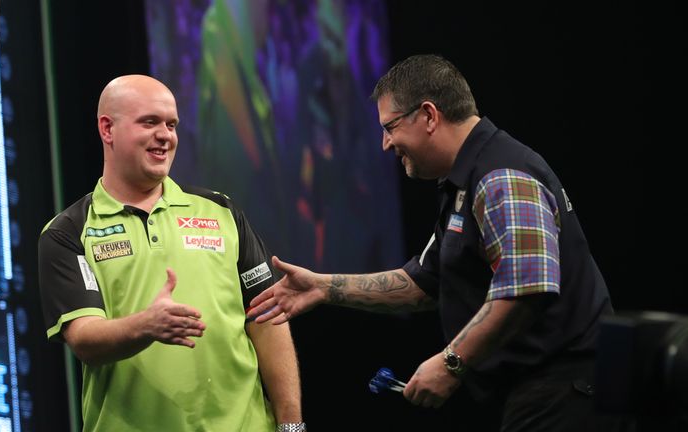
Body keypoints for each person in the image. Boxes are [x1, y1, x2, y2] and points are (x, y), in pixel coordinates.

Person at [248, 54, 630, 431]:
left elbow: (528, 287)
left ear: (429, 115)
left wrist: (453, 362)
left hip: (569, 395)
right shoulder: (463, 182)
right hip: (541, 395)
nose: (385, 144)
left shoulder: (501, 175)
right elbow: (424, 282)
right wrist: (323, 287)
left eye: (390, 126)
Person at [38, 74, 304, 431]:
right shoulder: (68, 231)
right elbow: (84, 339)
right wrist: (146, 325)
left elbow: (267, 318)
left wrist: (291, 425)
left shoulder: (221, 211)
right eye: (149, 122)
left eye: (172, 124)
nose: (166, 135)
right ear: (107, 129)